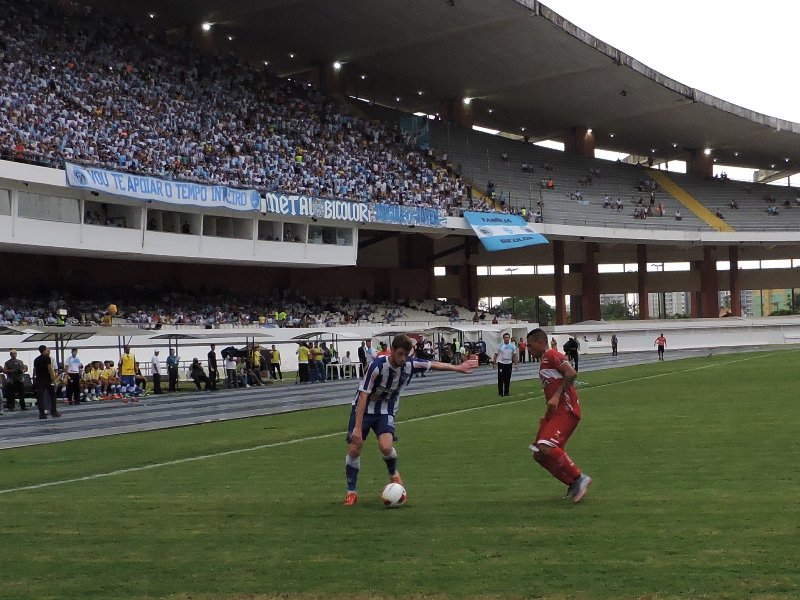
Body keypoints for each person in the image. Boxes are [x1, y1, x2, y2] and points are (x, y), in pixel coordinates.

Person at [343, 334, 478, 505]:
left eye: (406, 355)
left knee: (386, 447)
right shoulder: (376, 366)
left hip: (386, 411)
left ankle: (393, 474)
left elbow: (434, 364)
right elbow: (363, 396)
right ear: (392, 351)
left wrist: (459, 368)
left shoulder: (409, 364)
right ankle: (352, 492)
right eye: (400, 354)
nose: (402, 358)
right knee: (355, 447)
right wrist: (357, 426)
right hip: (363, 409)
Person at [526, 328, 591, 503]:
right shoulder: (544, 360)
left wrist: (556, 396)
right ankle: (572, 483)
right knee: (539, 454)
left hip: (567, 410)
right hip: (555, 413)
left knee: (545, 446)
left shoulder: (552, 355)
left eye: (530, 346)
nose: (528, 350)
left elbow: (571, 373)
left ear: (540, 342)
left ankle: (579, 478)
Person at [33, 345, 60, 419]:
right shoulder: (47, 358)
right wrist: (53, 379)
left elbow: (34, 370)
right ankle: (54, 412)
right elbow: (50, 369)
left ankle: (42, 413)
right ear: (44, 350)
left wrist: (34, 379)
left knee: (40, 397)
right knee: (52, 396)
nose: (48, 351)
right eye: (47, 350)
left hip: (39, 380)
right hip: (47, 380)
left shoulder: (36, 359)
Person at [493, 332, 518, 397]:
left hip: (509, 363)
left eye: (507, 337)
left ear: (509, 338)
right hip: (501, 363)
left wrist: (516, 364)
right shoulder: (500, 346)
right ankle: (500, 393)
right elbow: (495, 355)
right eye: (505, 337)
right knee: (501, 379)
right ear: (503, 338)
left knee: (507, 379)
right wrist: (494, 363)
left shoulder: (512, 346)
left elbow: (514, 355)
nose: (506, 339)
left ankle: (506, 392)